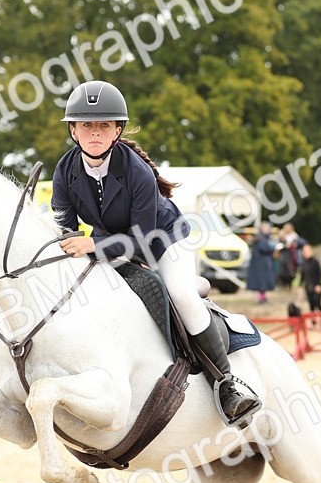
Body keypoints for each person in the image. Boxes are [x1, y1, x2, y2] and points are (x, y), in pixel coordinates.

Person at [51, 79, 261, 425]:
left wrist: (93, 244)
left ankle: (227, 382)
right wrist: (72, 245)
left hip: (163, 241)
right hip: (109, 242)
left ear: (117, 130)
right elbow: (65, 227)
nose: (95, 133)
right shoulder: (65, 170)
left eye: (104, 125)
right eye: (86, 125)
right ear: (73, 131)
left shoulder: (136, 171)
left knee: (181, 294)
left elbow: (143, 242)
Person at [246, 221, 276, 302]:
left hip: (261, 263)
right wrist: (273, 247)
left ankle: (262, 297)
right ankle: (261, 298)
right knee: (261, 282)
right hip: (261, 264)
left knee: (262, 282)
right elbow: (265, 248)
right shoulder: (261, 238)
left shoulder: (260, 238)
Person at [298, 243, 321, 326]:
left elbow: (319, 274)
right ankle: (314, 322)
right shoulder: (304, 264)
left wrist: (318, 285)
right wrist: (300, 285)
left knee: (318, 304)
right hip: (308, 287)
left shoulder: (315, 262)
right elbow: (302, 276)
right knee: (311, 305)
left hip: (316, 286)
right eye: (305, 251)